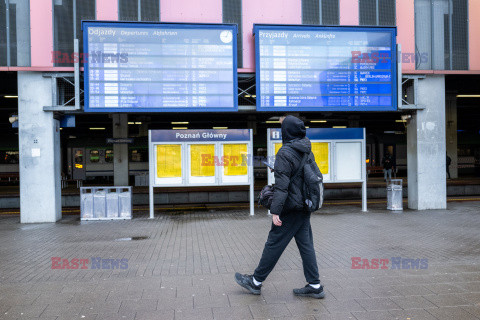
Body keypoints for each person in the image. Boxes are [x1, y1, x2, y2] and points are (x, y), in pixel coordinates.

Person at [234, 115, 324, 299]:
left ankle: (256, 281)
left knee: (274, 243)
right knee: (306, 246)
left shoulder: (285, 152)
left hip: (290, 208)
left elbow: (282, 187)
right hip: (304, 205)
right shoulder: (306, 149)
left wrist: (275, 211)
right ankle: (315, 285)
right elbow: (300, 177)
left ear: (287, 131)